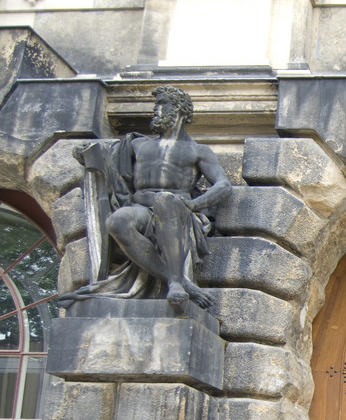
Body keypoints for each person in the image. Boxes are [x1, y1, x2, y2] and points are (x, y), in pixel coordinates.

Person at [59, 85, 231, 309]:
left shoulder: (198, 151)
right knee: (117, 221)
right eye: (156, 104)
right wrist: (87, 152)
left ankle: (177, 283)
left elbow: (224, 185)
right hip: (141, 209)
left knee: (166, 200)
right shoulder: (138, 144)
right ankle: (177, 281)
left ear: (180, 109)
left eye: (162, 104)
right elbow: (108, 161)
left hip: (177, 211)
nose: (156, 110)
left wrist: (192, 204)